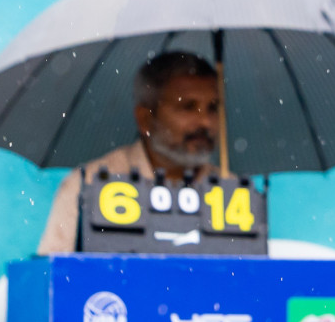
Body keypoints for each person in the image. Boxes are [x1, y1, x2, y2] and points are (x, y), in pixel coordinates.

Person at [37, 51, 220, 254]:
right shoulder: (87, 186)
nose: (205, 122)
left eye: (213, 108)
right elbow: (55, 275)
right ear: (145, 119)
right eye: (188, 107)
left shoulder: (234, 193)